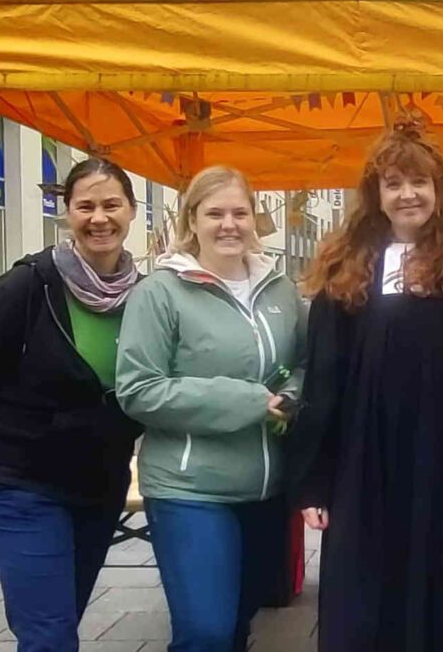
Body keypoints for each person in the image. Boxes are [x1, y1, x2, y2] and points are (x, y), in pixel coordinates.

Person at [288, 124, 443, 651]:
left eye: (419, 181)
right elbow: (323, 381)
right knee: (364, 607)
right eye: (393, 183)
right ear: (376, 195)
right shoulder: (346, 274)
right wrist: (314, 480)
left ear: (439, 191)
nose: (407, 194)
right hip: (363, 469)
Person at [0, 158, 143, 652]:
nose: (100, 217)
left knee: (58, 624)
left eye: (111, 204)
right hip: (21, 483)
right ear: (67, 213)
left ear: (132, 211)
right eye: (86, 206)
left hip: (100, 488)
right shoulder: (28, 285)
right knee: (50, 636)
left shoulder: (145, 296)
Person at [117, 165, 307, 652]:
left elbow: (307, 362)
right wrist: (248, 400)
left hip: (266, 490)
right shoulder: (160, 293)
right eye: (215, 213)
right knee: (206, 632)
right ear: (192, 220)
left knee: (239, 626)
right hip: (190, 489)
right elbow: (139, 389)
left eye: (240, 213)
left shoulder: (280, 291)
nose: (229, 224)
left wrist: (294, 395)